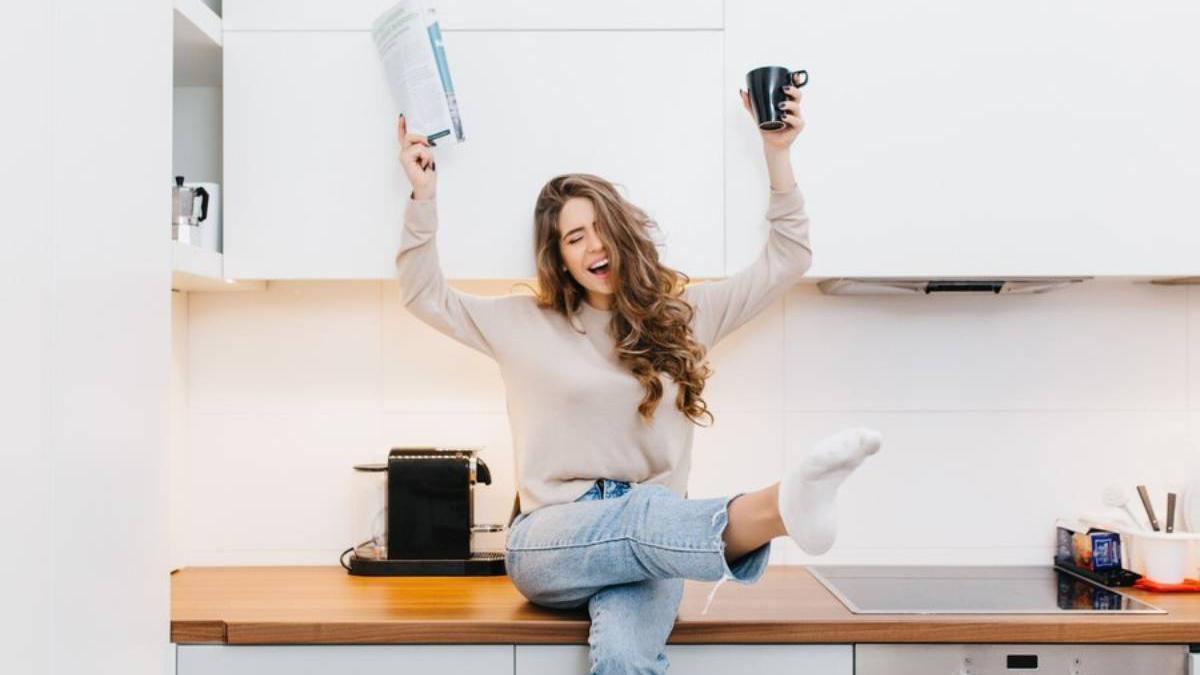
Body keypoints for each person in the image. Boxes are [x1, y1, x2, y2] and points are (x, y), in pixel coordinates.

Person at [394, 85, 882, 674]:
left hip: (657, 543)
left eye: (601, 229)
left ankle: (781, 507)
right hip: (552, 542)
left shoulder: (685, 318)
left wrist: (777, 152)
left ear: (623, 234)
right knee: (646, 514)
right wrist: (423, 197)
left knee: (626, 656)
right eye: (575, 238)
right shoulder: (523, 323)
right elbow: (424, 296)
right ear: (560, 257)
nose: (594, 246)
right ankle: (780, 507)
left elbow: (788, 258)